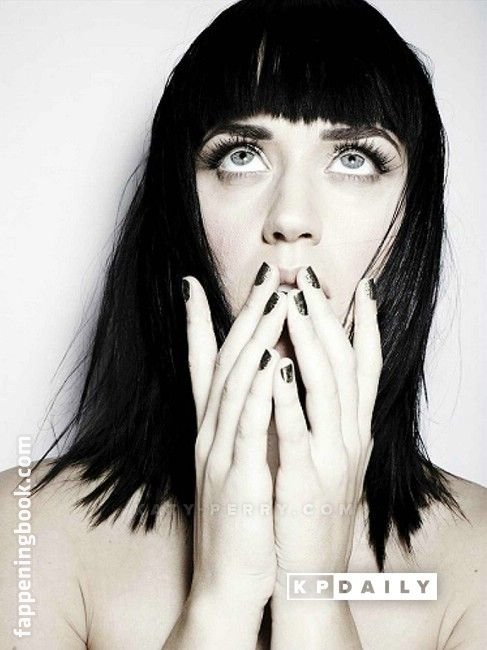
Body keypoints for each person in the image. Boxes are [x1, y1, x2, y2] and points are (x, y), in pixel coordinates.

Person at [1, 0, 486, 647]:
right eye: (241, 156)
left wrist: (312, 594)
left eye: (353, 158)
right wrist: (220, 599)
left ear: (412, 220)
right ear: (181, 204)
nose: (290, 217)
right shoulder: (29, 535)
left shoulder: (473, 563)